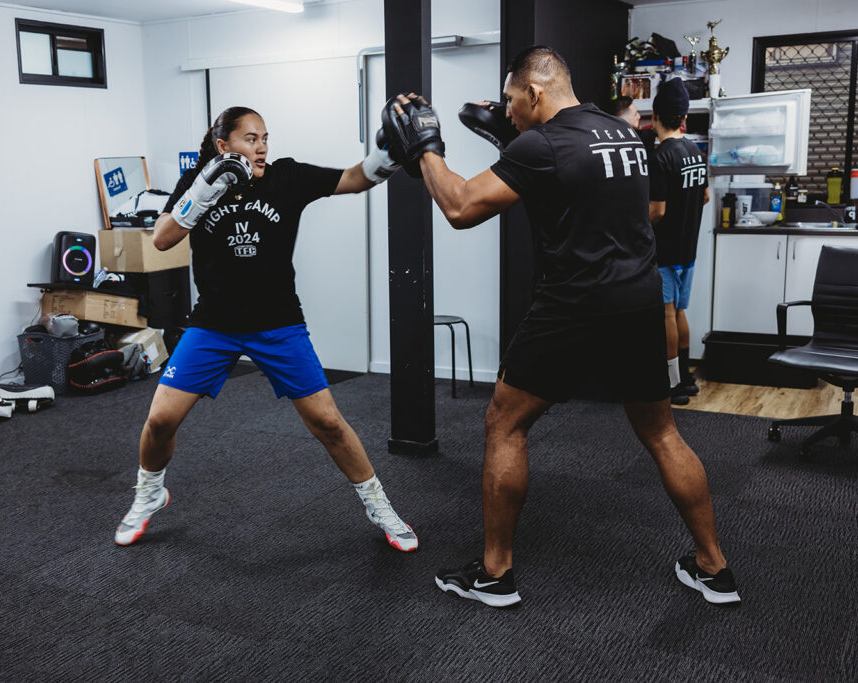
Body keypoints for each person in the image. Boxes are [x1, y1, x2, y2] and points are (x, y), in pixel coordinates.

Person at [380, 46, 739, 607]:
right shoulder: (624, 134)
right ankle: (714, 567)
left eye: (510, 99)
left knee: (504, 423)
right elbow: (622, 206)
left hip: (573, 303)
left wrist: (426, 149)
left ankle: (495, 574)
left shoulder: (542, 143)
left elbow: (459, 207)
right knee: (663, 433)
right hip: (640, 299)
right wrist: (513, 146)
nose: (507, 109)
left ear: (534, 93)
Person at [114, 106, 419, 553]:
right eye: (251, 139)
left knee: (328, 423)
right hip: (214, 325)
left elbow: (354, 179)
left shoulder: (286, 177)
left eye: (264, 138)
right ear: (224, 146)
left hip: (278, 323)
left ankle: (379, 504)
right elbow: (161, 239)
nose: (262, 147)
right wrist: (206, 187)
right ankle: (150, 493)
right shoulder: (199, 181)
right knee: (160, 419)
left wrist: (388, 155)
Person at [647, 79, 709, 405]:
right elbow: (706, 196)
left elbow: (657, 211)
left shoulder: (661, 158)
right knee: (681, 312)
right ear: (683, 117)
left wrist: (636, 228)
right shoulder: (695, 153)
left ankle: (672, 385)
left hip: (666, 251)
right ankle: (686, 378)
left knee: (667, 315)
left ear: (656, 116)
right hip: (689, 250)